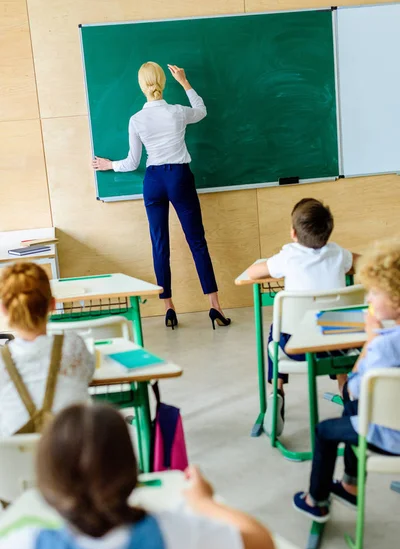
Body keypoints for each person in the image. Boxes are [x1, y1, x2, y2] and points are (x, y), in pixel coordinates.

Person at [0, 404, 275, 549]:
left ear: (47, 481)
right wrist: (204, 502)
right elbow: (263, 546)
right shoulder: (173, 533)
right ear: (132, 471)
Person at [93, 61, 230, 331]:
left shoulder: (136, 119)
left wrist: (110, 165)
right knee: (197, 242)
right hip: (179, 177)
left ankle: (168, 309)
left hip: (153, 181)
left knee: (159, 245)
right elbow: (201, 111)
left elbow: (132, 163)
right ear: (163, 83)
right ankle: (215, 306)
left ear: (141, 86)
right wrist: (185, 82)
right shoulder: (177, 112)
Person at [293, 240, 400, 522]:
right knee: (351, 414)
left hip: (391, 436)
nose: (369, 300)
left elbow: (353, 390)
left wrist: (370, 342)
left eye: (375, 293)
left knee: (326, 430)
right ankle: (350, 485)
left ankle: (315, 500)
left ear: (396, 301)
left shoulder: (384, 346)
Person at [248, 197, 358, 434]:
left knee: (275, 332)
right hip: (336, 346)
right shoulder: (338, 254)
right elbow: (359, 262)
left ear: (293, 234)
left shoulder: (288, 256)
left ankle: (276, 391)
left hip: (295, 349)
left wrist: (259, 266)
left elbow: (253, 273)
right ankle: (347, 390)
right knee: (334, 324)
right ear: (328, 232)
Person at [0, 262, 95, 437]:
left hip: (15, 461)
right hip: (72, 457)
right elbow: (87, 374)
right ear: (52, 304)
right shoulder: (74, 347)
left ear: (4, 309)